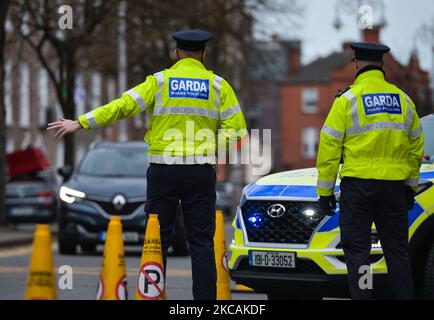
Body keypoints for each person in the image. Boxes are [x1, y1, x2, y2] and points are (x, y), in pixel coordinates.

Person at [47, 29, 247, 300]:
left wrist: (81, 122)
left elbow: (123, 106)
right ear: (204, 54)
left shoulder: (159, 82)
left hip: (163, 170)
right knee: (201, 242)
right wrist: (207, 150)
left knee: (157, 239)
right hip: (199, 171)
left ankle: (152, 296)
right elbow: (237, 130)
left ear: (176, 53)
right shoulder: (219, 86)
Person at [316, 42, 424, 300]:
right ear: (382, 65)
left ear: (356, 63)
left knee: (359, 252)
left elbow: (330, 145)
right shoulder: (403, 99)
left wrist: (325, 192)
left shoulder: (348, 99)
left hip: (359, 188)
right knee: (397, 251)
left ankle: (364, 296)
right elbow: (416, 146)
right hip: (394, 188)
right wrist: (409, 186)